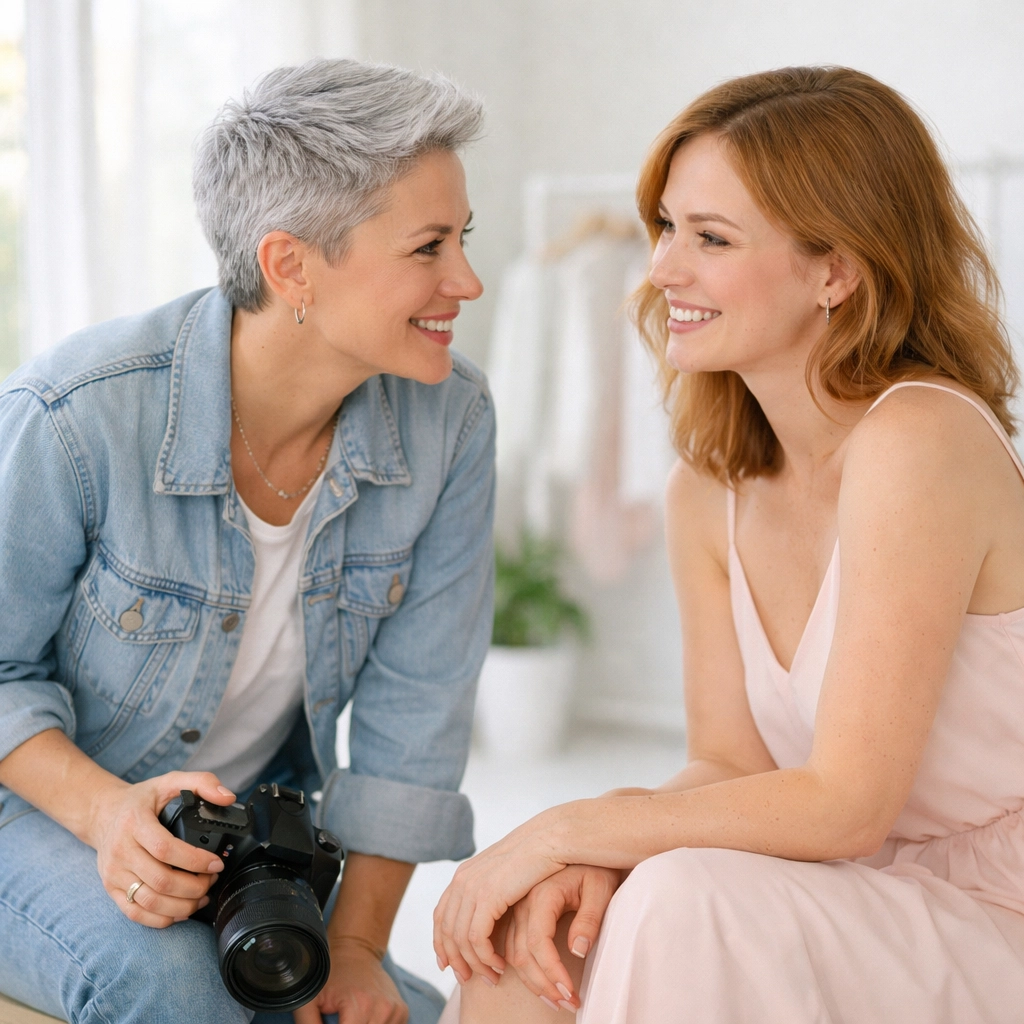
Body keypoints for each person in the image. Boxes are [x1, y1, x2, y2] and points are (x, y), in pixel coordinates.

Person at [434, 66, 1024, 1023]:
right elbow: (732, 763)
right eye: (667, 227)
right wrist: (588, 853)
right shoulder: (706, 494)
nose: (663, 269)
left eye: (712, 238)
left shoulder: (924, 441)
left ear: (836, 270)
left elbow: (846, 803)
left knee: (676, 899)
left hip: (993, 913)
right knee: (531, 931)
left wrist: (573, 824)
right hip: (848, 892)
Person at [0, 58, 494, 1024]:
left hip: (244, 838)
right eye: (428, 247)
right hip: (35, 812)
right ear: (290, 264)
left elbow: (417, 717)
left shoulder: (451, 421)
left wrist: (355, 949)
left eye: (462, 238)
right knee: (183, 990)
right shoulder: (76, 413)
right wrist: (109, 817)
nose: (466, 281)